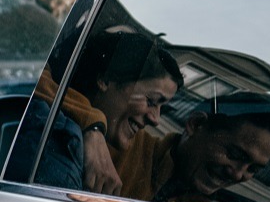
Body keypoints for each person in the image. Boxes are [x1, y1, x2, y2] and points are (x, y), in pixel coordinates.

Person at [14, 31, 183, 192]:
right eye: (151, 101)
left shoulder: (124, 144)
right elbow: (35, 79)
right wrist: (92, 125)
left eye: (163, 107)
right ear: (107, 79)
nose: (156, 119)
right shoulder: (58, 140)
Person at [114, 91, 270, 202]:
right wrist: (94, 129)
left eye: (253, 169)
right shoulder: (121, 148)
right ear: (196, 124)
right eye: (235, 155)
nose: (237, 175)